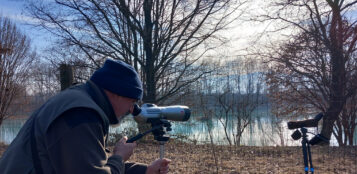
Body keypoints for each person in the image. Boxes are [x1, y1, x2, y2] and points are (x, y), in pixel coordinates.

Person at [0, 59, 171, 174]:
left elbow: (91, 164)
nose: (132, 109)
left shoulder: (81, 101)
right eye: (132, 101)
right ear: (116, 93)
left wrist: (145, 170)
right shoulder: (81, 114)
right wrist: (119, 157)